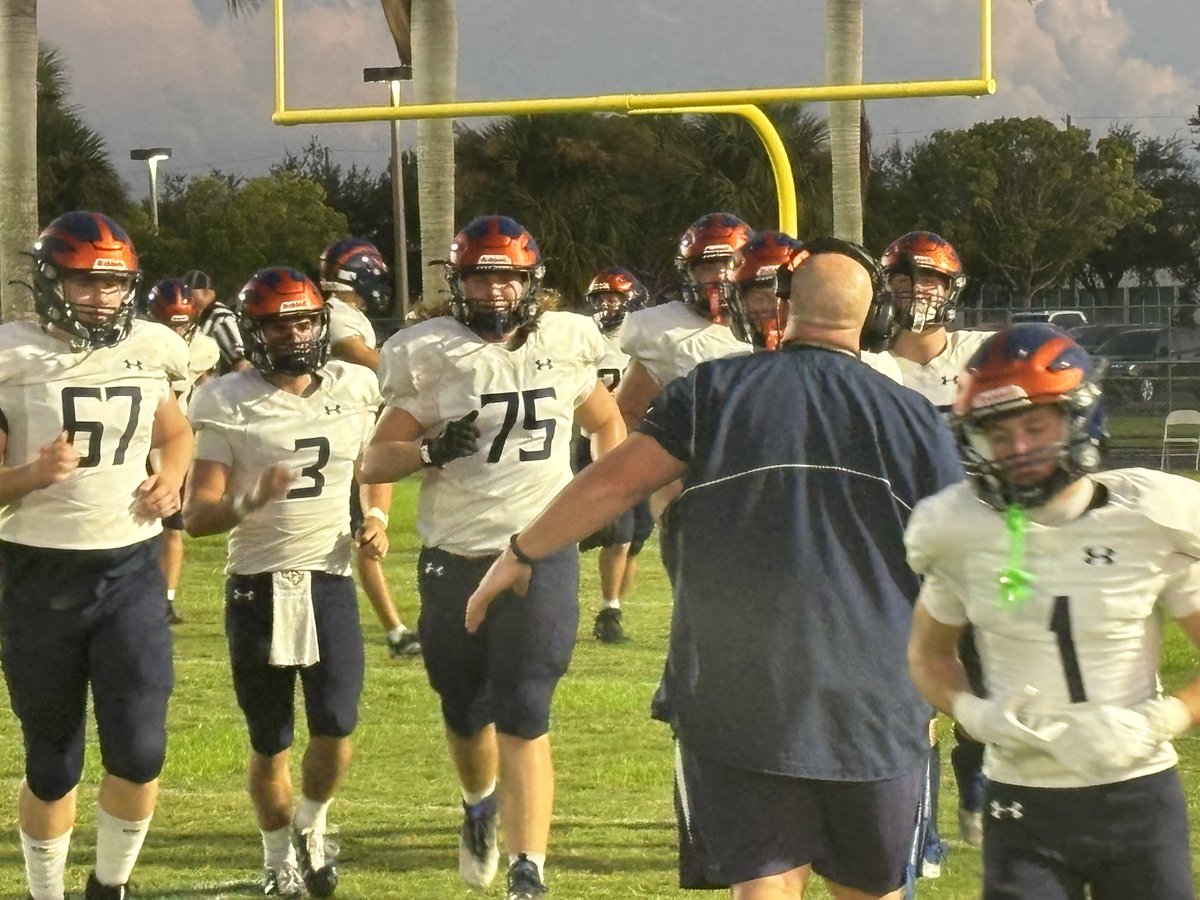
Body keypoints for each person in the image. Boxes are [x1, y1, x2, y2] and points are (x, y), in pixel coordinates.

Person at [464, 241, 964, 900]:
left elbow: (611, 485)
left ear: (782, 308)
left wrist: (520, 551)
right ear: (874, 323)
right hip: (873, 698)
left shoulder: (713, 391)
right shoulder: (913, 418)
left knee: (760, 889)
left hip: (737, 690)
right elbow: (963, 562)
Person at [359, 215, 625, 900]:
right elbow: (374, 459)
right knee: (463, 705)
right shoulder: (428, 351)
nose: (494, 290)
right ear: (459, 282)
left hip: (539, 550)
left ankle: (527, 866)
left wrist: (603, 489)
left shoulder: (567, 342)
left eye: (506, 275)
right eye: (480, 275)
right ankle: (479, 803)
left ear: (532, 282)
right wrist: (424, 451)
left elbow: (605, 422)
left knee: (525, 707)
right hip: (456, 555)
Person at [906, 323, 1200, 900]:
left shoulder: (1151, 517)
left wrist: (1162, 720)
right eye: (998, 432)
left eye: (1035, 426)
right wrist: (972, 712)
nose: (1018, 448)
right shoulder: (960, 528)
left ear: (1079, 418)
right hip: (1022, 798)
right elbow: (927, 653)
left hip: (1136, 792)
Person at [0, 211, 193, 900]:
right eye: (86, 282)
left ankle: (108, 886)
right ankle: (44, 893)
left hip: (131, 568)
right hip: (36, 571)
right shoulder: (11, 353)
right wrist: (27, 476)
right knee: (52, 762)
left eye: (113, 283)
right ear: (52, 281)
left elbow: (175, 432)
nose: (102, 297)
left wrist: (170, 476)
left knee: (141, 754)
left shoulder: (150, 346)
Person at [184, 267, 379, 898]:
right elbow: (196, 515)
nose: (294, 334)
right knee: (270, 740)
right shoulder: (224, 399)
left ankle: (313, 825)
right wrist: (248, 498)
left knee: (337, 726)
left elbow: (370, 464)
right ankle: (277, 858)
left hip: (328, 578)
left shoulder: (354, 384)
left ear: (322, 322)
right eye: (278, 323)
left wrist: (373, 515)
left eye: (303, 320)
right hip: (257, 585)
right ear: (254, 331)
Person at [882, 230, 991, 859]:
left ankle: (977, 787)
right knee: (907, 694)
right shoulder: (873, 364)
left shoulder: (982, 353)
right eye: (903, 279)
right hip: (898, 551)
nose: (915, 291)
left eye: (929, 280)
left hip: (982, 549)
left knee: (991, 680)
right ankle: (918, 827)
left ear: (951, 289)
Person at [318, 237, 420, 658]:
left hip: (346, 428)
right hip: (341, 432)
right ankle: (395, 631)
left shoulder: (342, 313)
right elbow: (364, 359)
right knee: (363, 535)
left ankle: (395, 629)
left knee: (365, 532)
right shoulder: (338, 316)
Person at [575, 266, 648, 643]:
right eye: (601, 298)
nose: (606, 305)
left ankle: (614, 605)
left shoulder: (643, 337)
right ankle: (609, 611)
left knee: (635, 537)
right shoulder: (584, 337)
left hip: (639, 444)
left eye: (614, 297)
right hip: (593, 442)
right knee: (619, 534)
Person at [144, 277, 221, 625]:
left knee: (173, 526)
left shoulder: (203, 347)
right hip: (137, 441)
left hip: (176, 440)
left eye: (182, 323)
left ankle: (166, 599)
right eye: (169, 322)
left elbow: (207, 387)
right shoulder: (138, 344)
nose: (176, 331)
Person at [184, 269, 252, 374]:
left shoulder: (220, 318)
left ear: (206, 292)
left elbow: (240, 362)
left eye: (190, 293)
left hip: (216, 385)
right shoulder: (196, 316)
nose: (186, 298)